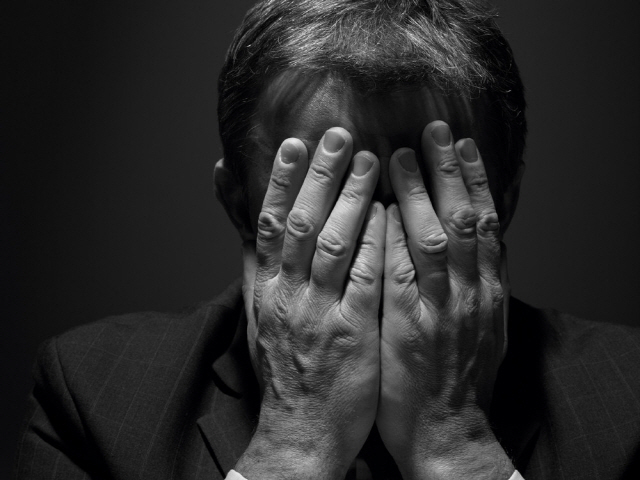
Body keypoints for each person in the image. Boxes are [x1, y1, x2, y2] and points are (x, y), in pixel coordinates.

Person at [14, 0, 640, 479]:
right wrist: (294, 441)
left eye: (422, 183)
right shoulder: (96, 392)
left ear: (499, 203)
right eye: (333, 187)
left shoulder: (629, 399)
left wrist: (456, 444)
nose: (371, 241)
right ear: (240, 203)